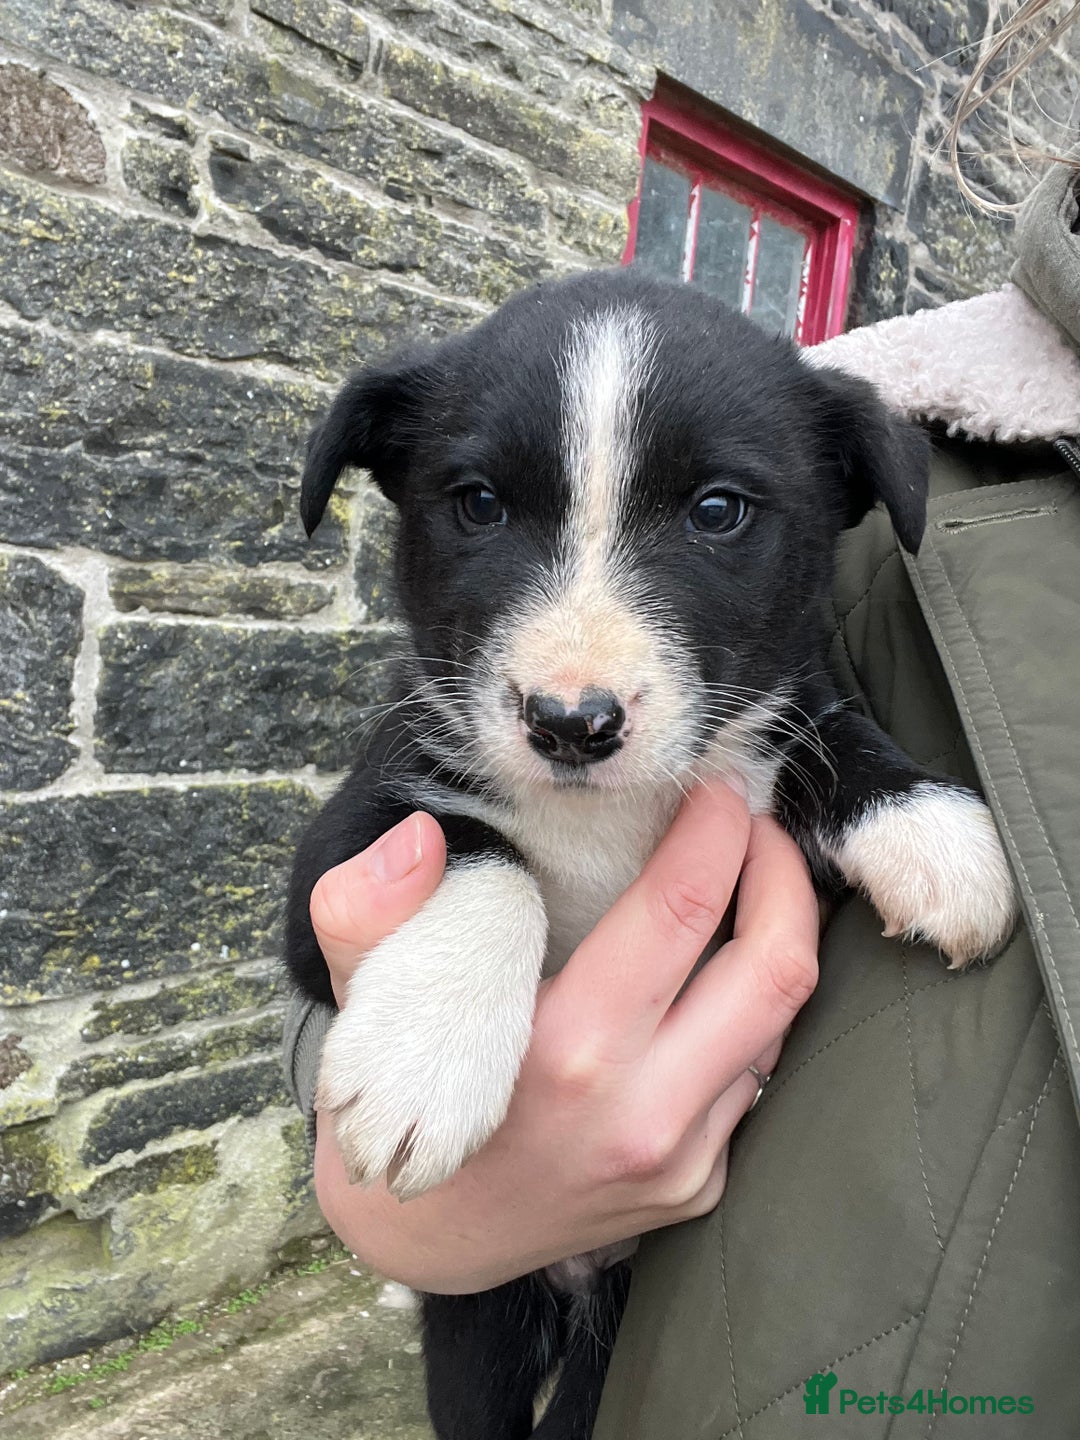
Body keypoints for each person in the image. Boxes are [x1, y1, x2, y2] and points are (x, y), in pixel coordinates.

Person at [284, 78, 1080, 1440]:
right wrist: (389, 1124)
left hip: (715, 1306)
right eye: (477, 502)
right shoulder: (942, 413)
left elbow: (811, 712)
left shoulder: (839, 480)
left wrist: (874, 791)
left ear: (832, 506)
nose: (573, 683)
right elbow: (330, 936)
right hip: (492, 1263)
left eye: (716, 511)